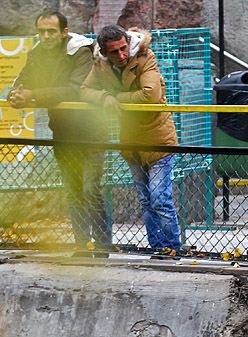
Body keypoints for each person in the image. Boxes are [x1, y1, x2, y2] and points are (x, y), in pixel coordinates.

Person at [9, 10, 110, 257]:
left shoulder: (81, 51)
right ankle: (81, 245)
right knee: (73, 190)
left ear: (64, 32)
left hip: (90, 132)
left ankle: (103, 245)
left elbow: (75, 90)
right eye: (41, 31)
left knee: (90, 189)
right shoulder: (38, 53)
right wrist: (17, 94)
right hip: (63, 132)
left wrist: (33, 95)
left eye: (51, 31)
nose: (45, 36)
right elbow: (24, 80)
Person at [80, 24, 181, 256]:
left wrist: (117, 98)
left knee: (159, 198)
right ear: (104, 52)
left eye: (124, 48)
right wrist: (104, 97)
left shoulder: (144, 55)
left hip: (158, 136)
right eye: (114, 52)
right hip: (130, 138)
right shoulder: (101, 64)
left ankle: (173, 248)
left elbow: (151, 95)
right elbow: (85, 90)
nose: (121, 55)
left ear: (128, 42)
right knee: (146, 200)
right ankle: (158, 247)